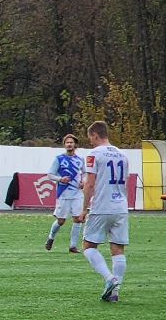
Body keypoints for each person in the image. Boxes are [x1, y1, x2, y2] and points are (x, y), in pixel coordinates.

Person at [79, 120, 130, 302]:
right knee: (118, 249)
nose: (90, 142)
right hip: (121, 207)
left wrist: (84, 209)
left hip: (102, 206)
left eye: (90, 138)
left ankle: (110, 280)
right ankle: (115, 293)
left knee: (88, 246)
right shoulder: (122, 155)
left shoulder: (94, 154)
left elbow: (90, 184)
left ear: (94, 135)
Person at [41, 134, 85, 252]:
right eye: (67, 142)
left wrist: (83, 182)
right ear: (64, 145)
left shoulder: (80, 160)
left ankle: (73, 246)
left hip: (77, 193)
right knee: (61, 221)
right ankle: (51, 237)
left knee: (78, 219)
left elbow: (85, 173)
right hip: (64, 193)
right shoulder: (59, 159)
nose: (69, 144)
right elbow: (50, 174)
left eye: (71, 142)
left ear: (75, 144)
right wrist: (60, 179)